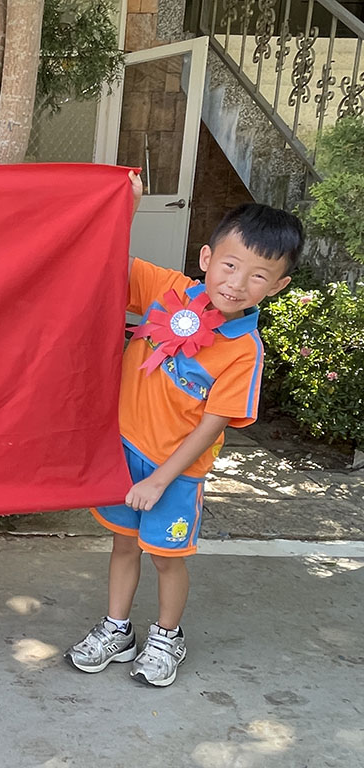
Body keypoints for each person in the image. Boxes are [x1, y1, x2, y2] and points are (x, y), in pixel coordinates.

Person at [65, 172, 304, 687]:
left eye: (258, 276)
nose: (236, 283)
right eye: (230, 265)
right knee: (123, 545)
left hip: (175, 474)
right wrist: (124, 208)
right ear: (206, 257)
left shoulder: (244, 350)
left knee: (166, 559)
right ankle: (117, 629)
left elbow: (211, 427)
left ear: (278, 286)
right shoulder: (168, 291)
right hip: (124, 453)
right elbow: (109, 262)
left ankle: (166, 637)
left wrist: (160, 480)